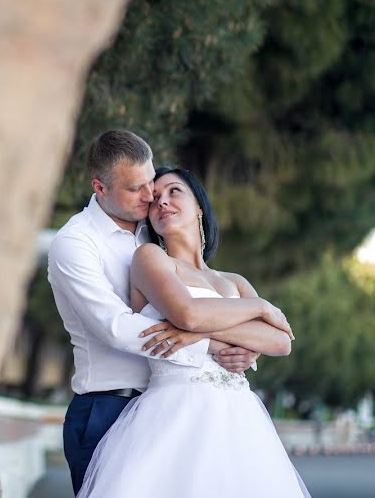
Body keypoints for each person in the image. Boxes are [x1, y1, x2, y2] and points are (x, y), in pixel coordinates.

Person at [48, 130, 276, 495]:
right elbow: (117, 327)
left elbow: (197, 300)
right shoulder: (75, 244)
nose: (150, 195)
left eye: (150, 182)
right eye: (135, 188)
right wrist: (215, 345)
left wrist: (243, 341)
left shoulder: (152, 231)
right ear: (100, 188)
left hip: (174, 408)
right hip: (108, 405)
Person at [76, 165, 310, 497]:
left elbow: (279, 340)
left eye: (175, 192)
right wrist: (260, 308)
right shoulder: (151, 258)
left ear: (199, 205)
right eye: (155, 199)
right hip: (175, 414)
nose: (163, 202)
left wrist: (201, 336)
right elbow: (188, 313)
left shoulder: (234, 282)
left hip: (239, 421)